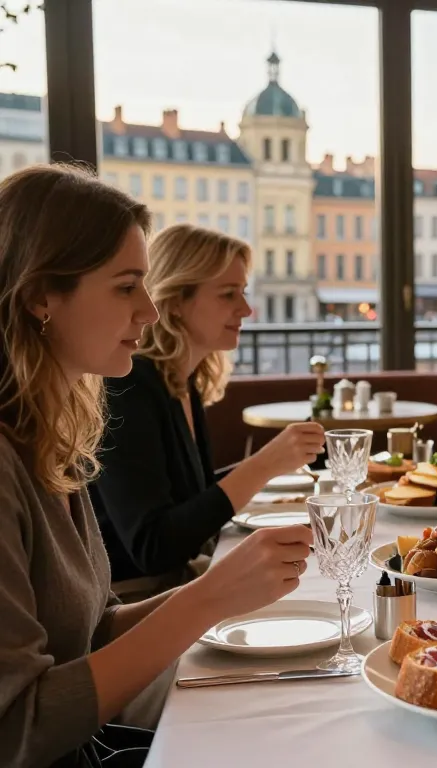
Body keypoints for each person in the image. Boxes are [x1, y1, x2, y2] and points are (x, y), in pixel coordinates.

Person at [0, 165, 313, 767]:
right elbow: (17, 728)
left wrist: (221, 591)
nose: (149, 310)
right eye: (125, 287)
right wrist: (208, 599)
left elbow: (90, 632)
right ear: (42, 294)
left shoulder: (51, 436)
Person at [89, 225, 325, 597]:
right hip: (133, 599)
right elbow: (154, 548)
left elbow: (190, 498)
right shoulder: (128, 386)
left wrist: (279, 463)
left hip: (179, 580)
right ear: (177, 301)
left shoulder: (181, 381)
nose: (246, 309)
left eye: (243, 293)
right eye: (229, 294)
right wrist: (263, 465)